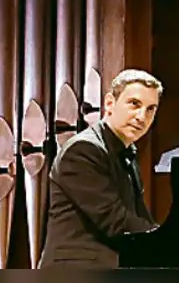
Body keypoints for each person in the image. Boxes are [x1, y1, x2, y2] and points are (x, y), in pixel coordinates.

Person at [39, 69, 163, 269]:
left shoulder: (127, 151)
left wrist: (168, 240)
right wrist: (170, 245)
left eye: (151, 109)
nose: (141, 116)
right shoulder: (83, 150)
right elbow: (114, 220)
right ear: (109, 103)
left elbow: (139, 217)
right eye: (134, 104)